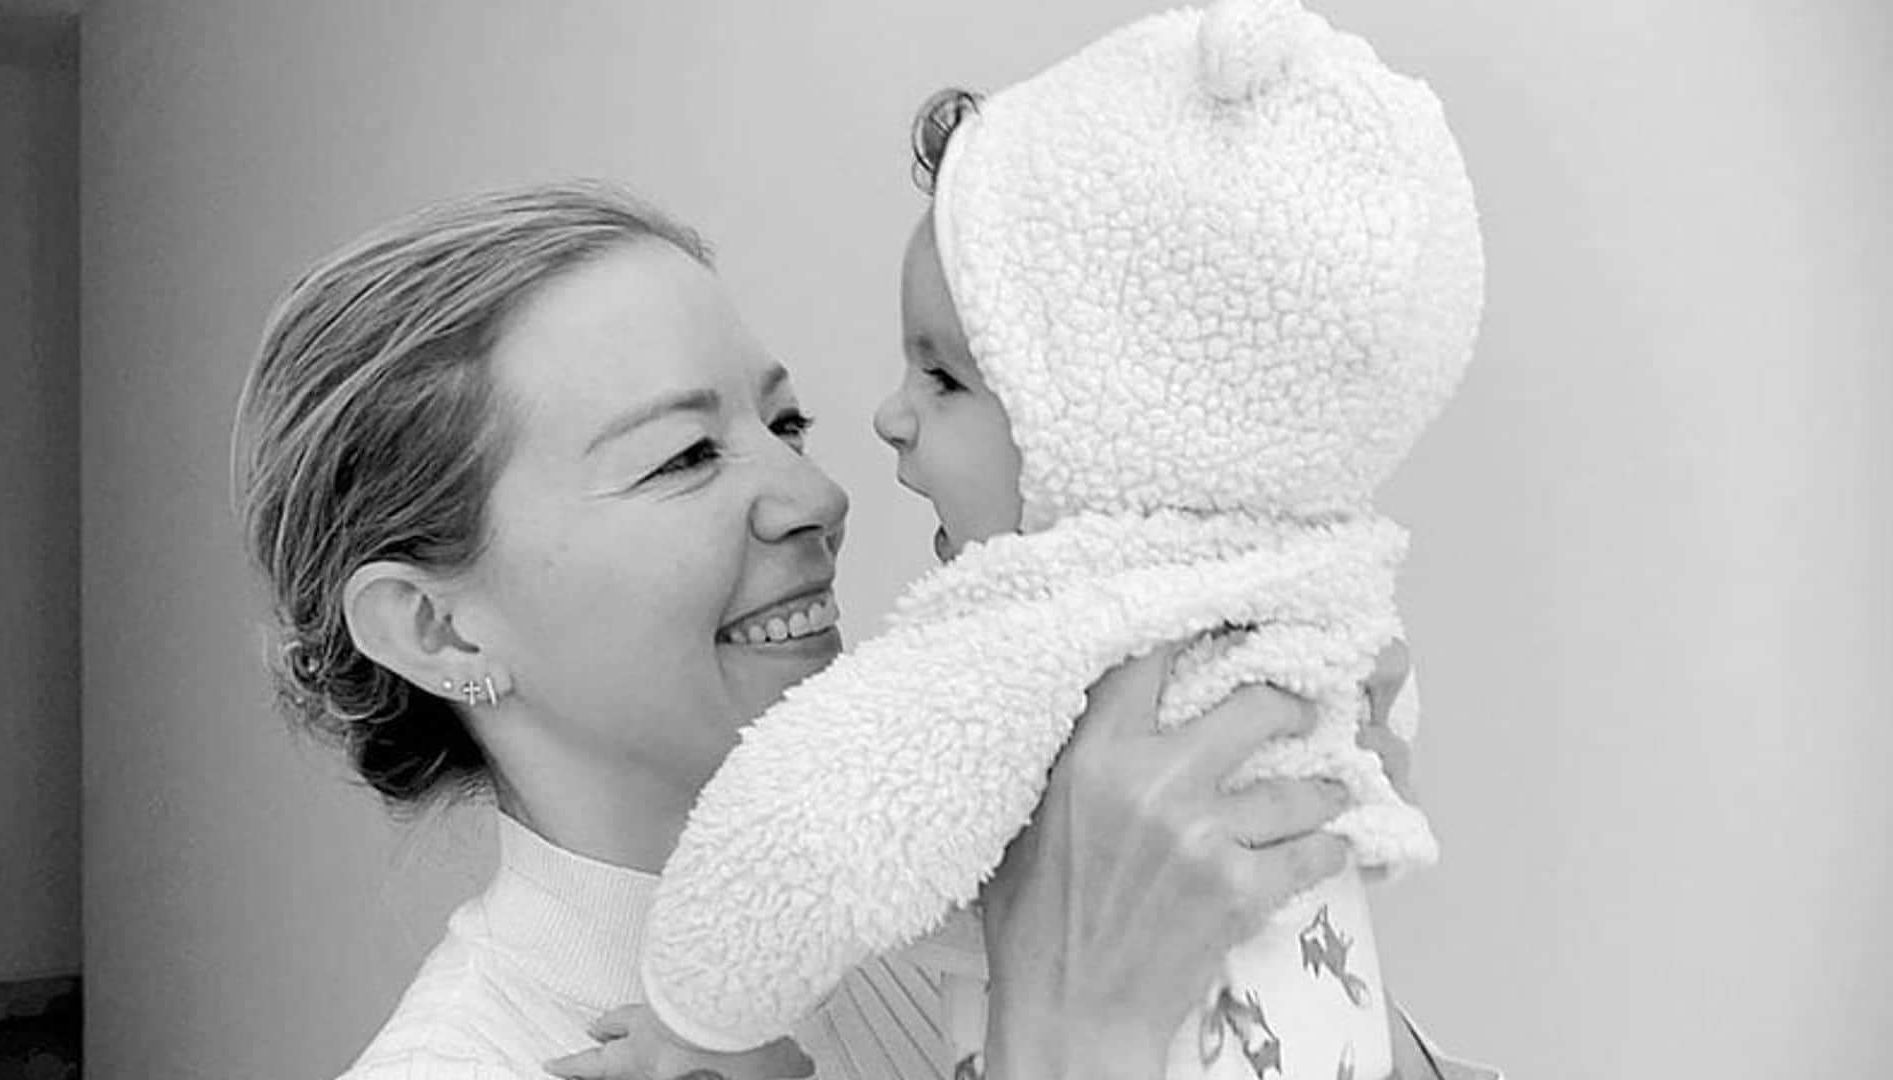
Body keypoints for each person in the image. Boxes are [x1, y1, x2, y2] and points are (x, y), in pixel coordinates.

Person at [233, 182, 1411, 1080]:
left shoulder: (987, 877)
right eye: (683, 456)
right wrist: (1079, 1025)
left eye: (784, 422)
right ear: (436, 627)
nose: (818, 496)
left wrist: (1296, 881)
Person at [586, 1, 1489, 1077]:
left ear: (1127, 421)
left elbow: (801, 828)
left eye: (947, 377)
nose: (875, 428)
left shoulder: (1028, 649)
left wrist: (696, 1019)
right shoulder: (1320, 592)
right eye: (682, 454)